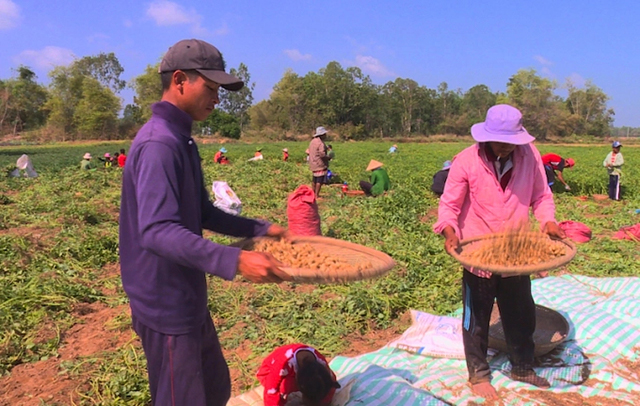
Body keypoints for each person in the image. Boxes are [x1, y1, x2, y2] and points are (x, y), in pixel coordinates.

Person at [118, 38, 293, 406]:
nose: (217, 99)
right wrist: (235, 260)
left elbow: (203, 211)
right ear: (180, 80)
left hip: (186, 292)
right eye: (211, 88)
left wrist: (259, 229)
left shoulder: (181, 140)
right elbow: (156, 231)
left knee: (213, 388)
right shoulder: (159, 145)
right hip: (165, 301)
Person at [433, 104, 565, 400]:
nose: (506, 147)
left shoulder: (529, 156)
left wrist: (548, 221)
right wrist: (449, 230)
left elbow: (542, 196)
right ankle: (478, 374)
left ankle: (522, 365)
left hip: (516, 252)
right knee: (476, 318)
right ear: (486, 137)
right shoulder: (466, 161)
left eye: (512, 142)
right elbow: (450, 204)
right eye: (501, 141)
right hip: (478, 252)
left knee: (520, 313)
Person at [257, 343, 341, 406]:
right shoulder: (282, 365)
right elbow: (270, 392)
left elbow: (331, 381)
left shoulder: (321, 362)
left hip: (296, 375)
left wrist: (325, 401)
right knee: (284, 387)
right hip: (268, 373)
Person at [308, 127, 331, 197]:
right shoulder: (320, 143)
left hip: (313, 163)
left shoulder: (313, 141)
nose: (326, 135)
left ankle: (313, 193)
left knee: (314, 179)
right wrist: (328, 158)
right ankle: (316, 195)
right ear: (322, 135)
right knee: (319, 180)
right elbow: (322, 154)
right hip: (319, 164)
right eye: (324, 134)